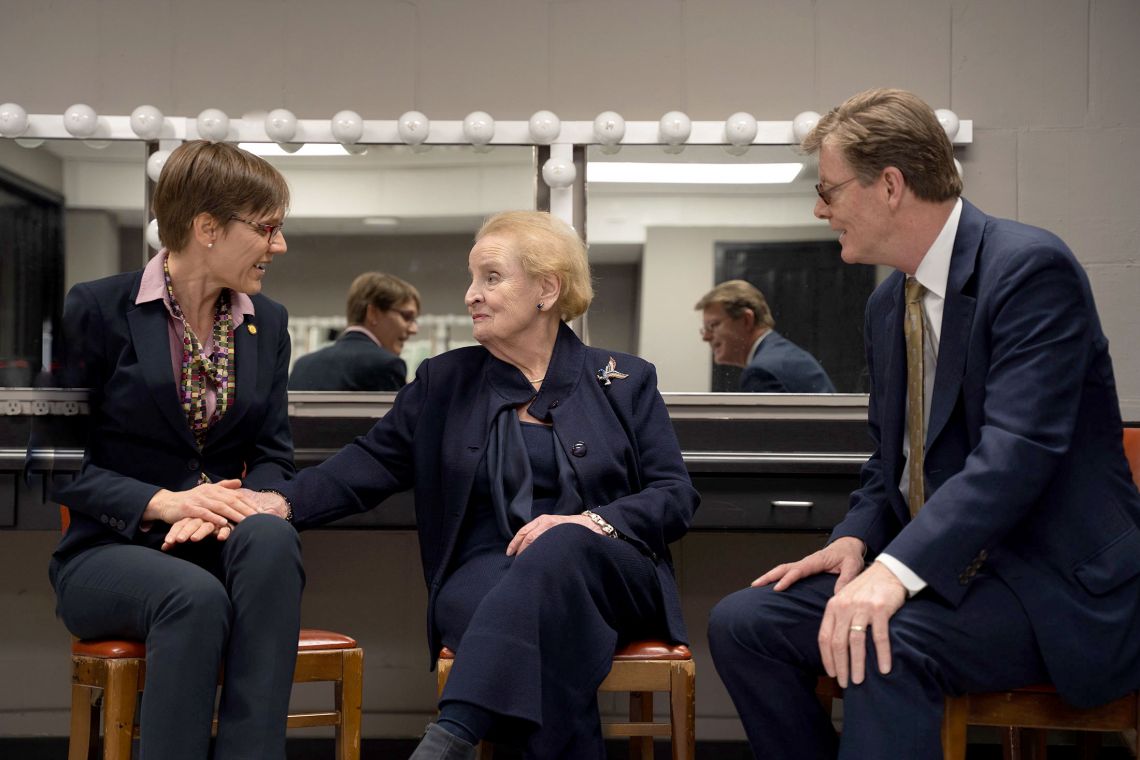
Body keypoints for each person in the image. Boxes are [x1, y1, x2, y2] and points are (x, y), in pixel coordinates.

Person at [707, 88, 1140, 758]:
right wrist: (856, 541)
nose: (820, 210)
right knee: (744, 623)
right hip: (949, 571)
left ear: (889, 184)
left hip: (1044, 583)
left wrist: (896, 570)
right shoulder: (888, 306)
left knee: (883, 644)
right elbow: (892, 462)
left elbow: (1016, 454)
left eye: (828, 190)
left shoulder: (1029, 270)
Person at [248, 210, 699, 759]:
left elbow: (673, 495)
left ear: (547, 289)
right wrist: (278, 502)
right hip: (486, 570)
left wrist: (587, 522)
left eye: (491, 277)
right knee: (546, 632)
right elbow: (368, 463)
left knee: (559, 551)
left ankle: (453, 732)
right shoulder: (445, 381)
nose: (470, 296)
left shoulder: (625, 379)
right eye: (472, 279)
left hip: (608, 567)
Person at [48, 140, 303, 760]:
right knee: (193, 597)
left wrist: (255, 503)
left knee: (272, 537)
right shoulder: (97, 307)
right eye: (267, 227)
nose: (280, 245)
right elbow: (59, 464)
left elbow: (273, 455)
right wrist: (164, 503)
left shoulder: (267, 322)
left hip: (217, 543)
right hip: (110, 551)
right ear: (207, 228)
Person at [696, 279, 836, 393]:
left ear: (746, 320)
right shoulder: (785, 354)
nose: (706, 337)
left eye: (713, 325)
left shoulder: (761, 373)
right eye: (705, 329)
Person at [289, 271, 420, 391]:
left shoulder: (303, 366)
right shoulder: (386, 365)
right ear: (373, 313)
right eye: (407, 317)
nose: (414, 329)